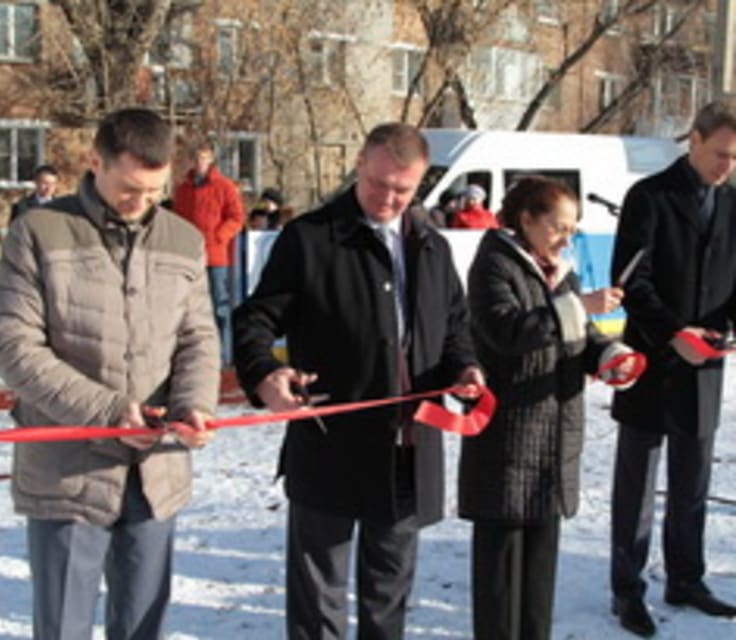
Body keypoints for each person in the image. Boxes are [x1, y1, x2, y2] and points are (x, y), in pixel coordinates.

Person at [232, 122, 484, 639]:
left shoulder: (431, 246)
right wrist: (265, 374)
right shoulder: (310, 238)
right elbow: (255, 320)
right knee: (318, 594)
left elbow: (455, 326)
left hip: (407, 447)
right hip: (330, 444)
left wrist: (465, 368)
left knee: (388, 590)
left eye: (402, 190)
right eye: (377, 184)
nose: (388, 199)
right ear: (359, 166)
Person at [0, 108, 220, 640]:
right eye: (130, 188)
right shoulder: (38, 232)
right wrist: (110, 412)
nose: (143, 202)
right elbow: (15, 347)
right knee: (64, 625)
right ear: (96, 162)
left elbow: (198, 338)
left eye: (156, 190)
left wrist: (194, 405)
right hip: (69, 470)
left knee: (143, 624)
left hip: (155, 471)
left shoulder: (183, 239)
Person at [458, 176, 634, 640]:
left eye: (573, 229)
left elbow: (581, 336)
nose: (566, 238)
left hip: (555, 439)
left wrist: (609, 355)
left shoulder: (561, 269)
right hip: (508, 438)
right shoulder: (494, 264)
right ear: (527, 220)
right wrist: (578, 307)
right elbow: (508, 331)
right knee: (501, 574)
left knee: (539, 576)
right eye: (558, 226)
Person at [608, 101, 736, 637]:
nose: (727, 165)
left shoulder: (732, 203)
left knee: (692, 482)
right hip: (653, 360)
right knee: (637, 486)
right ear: (694, 140)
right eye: (721, 153)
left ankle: (686, 577)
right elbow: (630, 281)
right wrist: (673, 334)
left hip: (706, 364)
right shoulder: (650, 197)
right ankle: (627, 589)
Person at [172, 138, 245, 365]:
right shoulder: (183, 189)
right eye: (196, 158)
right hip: (190, 255)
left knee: (219, 306)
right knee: (189, 307)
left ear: (211, 159)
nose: (199, 163)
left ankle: (223, 355)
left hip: (215, 256)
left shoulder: (224, 187)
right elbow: (177, 220)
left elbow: (236, 217)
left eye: (204, 158)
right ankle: (194, 355)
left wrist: (219, 236)